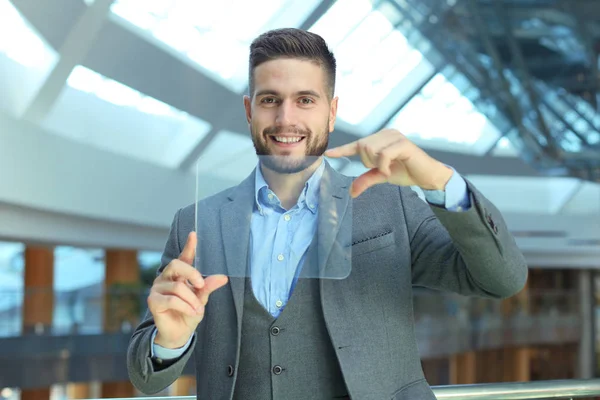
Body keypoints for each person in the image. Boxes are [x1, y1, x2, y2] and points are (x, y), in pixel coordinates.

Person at [127, 28, 528, 399]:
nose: (286, 119)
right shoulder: (196, 223)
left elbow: (502, 279)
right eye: (270, 100)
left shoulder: (393, 206)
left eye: (305, 100)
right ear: (249, 110)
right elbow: (148, 377)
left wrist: (439, 180)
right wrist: (171, 340)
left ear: (331, 112)